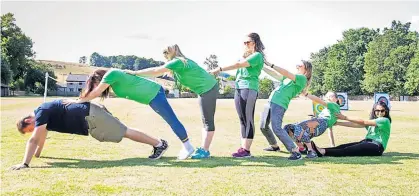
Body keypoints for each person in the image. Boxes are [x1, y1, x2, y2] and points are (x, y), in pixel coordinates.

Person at [65, 69, 194, 160]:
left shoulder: (111, 74)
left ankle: (188, 147)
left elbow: (96, 92)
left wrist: (77, 101)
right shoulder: (114, 83)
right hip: (151, 97)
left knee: (171, 120)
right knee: (171, 120)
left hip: (154, 93)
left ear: (99, 78)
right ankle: (177, 146)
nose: (98, 87)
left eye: (96, 84)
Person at [10, 100, 168, 170]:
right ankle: (159, 143)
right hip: (90, 117)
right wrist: (38, 155)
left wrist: (24, 164)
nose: (33, 130)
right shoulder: (43, 115)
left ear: (28, 120)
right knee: (123, 132)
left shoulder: (41, 112)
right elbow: (40, 138)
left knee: (124, 131)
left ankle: (159, 144)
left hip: (91, 116)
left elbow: (34, 139)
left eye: (30, 128)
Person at [124, 44, 218, 159]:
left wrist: (135, 73)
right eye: (164, 52)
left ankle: (205, 151)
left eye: (167, 51)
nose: (165, 53)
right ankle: (204, 149)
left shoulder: (177, 61)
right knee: (205, 120)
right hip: (205, 89)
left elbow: (156, 71)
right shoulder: (179, 63)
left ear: (174, 51)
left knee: (208, 121)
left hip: (208, 89)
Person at [209, 33, 265, 158]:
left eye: (248, 42)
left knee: (248, 118)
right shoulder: (246, 56)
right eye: (244, 43)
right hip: (239, 87)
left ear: (255, 43)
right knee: (242, 119)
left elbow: (238, 65)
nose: (245, 45)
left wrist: (219, 69)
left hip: (249, 87)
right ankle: (243, 148)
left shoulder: (257, 55)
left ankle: (246, 150)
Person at [260, 60, 312, 160]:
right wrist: (261, 66)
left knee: (277, 128)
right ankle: (274, 146)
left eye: (300, 65)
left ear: (306, 69)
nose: (297, 65)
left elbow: (286, 73)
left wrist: (271, 64)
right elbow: (275, 74)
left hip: (279, 104)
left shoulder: (302, 78)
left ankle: (295, 151)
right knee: (263, 126)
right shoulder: (289, 78)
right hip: (271, 101)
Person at [311, 101, 391, 157]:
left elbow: (363, 122)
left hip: (376, 146)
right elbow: (355, 124)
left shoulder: (384, 120)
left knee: (348, 150)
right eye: (377, 110)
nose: (380, 113)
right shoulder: (373, 121)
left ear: (386, 111)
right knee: (342, 146)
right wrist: (338, 123)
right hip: (368, 142)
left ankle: (322, 152)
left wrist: (345, 117)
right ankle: (320, 150)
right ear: (374, 111)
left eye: (382, 110)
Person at [283, 92, 341, 158]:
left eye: (331, 96)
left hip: (322, 123)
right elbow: (330, 130)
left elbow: (319, 101)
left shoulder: (334, 105)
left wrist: (306, 94)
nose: (328, 97)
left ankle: (311, 152)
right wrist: (333, 145)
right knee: (288, 128)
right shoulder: (327, 110)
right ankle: (302, 149)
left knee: (299, 128)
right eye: (327, 96)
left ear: (336, 99)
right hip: (319, 123)